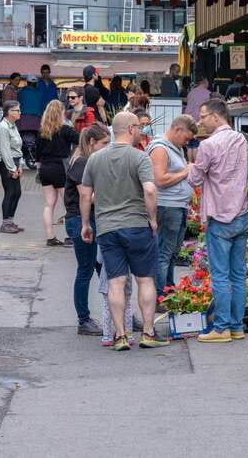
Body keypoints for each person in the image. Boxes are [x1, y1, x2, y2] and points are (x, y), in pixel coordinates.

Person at [79, 111, 169, 351]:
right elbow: (150, 190)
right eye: (139, 126)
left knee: (115, 283)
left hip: (108, 228)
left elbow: (85, 194)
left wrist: (86, 224)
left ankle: (120, 336)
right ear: (130, 129)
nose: (141, 130)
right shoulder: (139, 158)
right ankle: (148, 333)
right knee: (145, 279)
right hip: (138, 226)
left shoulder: (95, 159)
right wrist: (152, 219)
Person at [188, 99, 248, 343]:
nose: (199, 120)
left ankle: (222, 327)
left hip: (220, 215)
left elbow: (195, 179)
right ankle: (237, 326)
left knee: (221, 275)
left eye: (203, 116)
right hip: (243, 212)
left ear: (216, 116)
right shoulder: (242, 140)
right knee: (238, 274)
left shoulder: (209, 145)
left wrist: (191, 166)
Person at [64, 123, 110, 336]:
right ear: (92, 142)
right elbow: (86, 196)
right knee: (87, 270)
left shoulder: (85, 159)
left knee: (105, 270)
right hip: (80, 220)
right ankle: (84, 320)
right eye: (104, 143)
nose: (107, 147)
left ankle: (119, 312)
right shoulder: (82, 162)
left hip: (89, 219)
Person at [147, 115, 197, 304]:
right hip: (167, 206)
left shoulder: (175, 147)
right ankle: (161, 296)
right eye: (186, 138)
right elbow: (159, 179)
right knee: (164, 253)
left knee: (172, 252)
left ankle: (168, 290)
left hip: (177, 206)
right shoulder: (160, 149)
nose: (187, 141)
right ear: (178, 130)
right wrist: (187, 170)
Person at [36, 100, 79, 247]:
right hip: (60, 167)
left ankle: (50, 237)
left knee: (49, 204)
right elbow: (81, 139)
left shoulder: (42, 131)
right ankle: (70, 236)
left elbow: (37, 155)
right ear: (61, 113)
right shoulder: (65, 130)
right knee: (69, 204)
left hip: (45, 168)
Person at [0, 100, 24, 234]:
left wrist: (20, 165)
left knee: (17, 192)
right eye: (17, 110)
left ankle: (10, 221)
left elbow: (18, 147)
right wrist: (12, 168)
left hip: (15, 161)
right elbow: (5, 150)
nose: (20, 112)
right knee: (10, 192)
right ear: (8, 112)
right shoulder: (3, 127)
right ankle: (5, 223)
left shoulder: (13, 125)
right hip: (6, 162)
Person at [17, 74, 44, 169]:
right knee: (39, 139)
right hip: (37, 120)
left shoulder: (21, 92)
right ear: (36, 83)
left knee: (18, 138)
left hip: (23, 120)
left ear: (27, 82)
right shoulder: (39, 93)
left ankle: (19, 156)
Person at [184, 76, 211, 162]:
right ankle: (196, 164)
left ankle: (189, 163)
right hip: (199, 119)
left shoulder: (191, 92)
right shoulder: (208, 94)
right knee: (196, 143)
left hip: (188, 118)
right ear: (205, 82)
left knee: (190, 144)